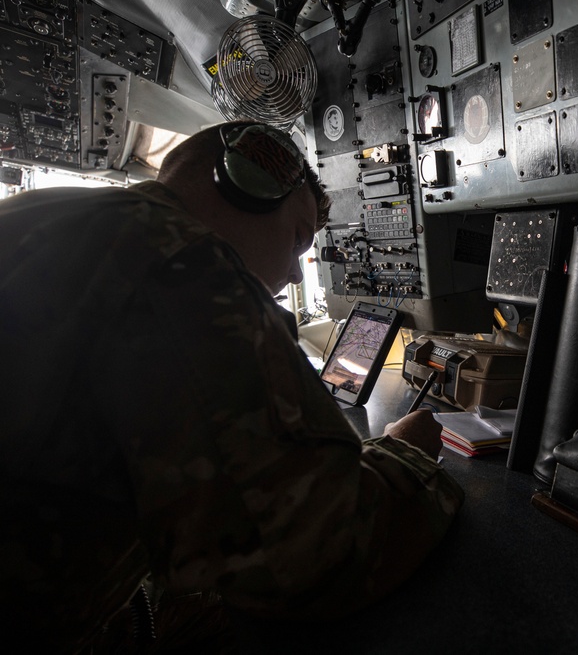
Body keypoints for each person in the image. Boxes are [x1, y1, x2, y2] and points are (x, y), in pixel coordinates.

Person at [0, 121, 464, 652]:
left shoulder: (51, 216)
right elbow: (317, 555)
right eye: (297, 238)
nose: (294, 272)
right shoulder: (173, 255)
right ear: (247, 183)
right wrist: (406, 454)